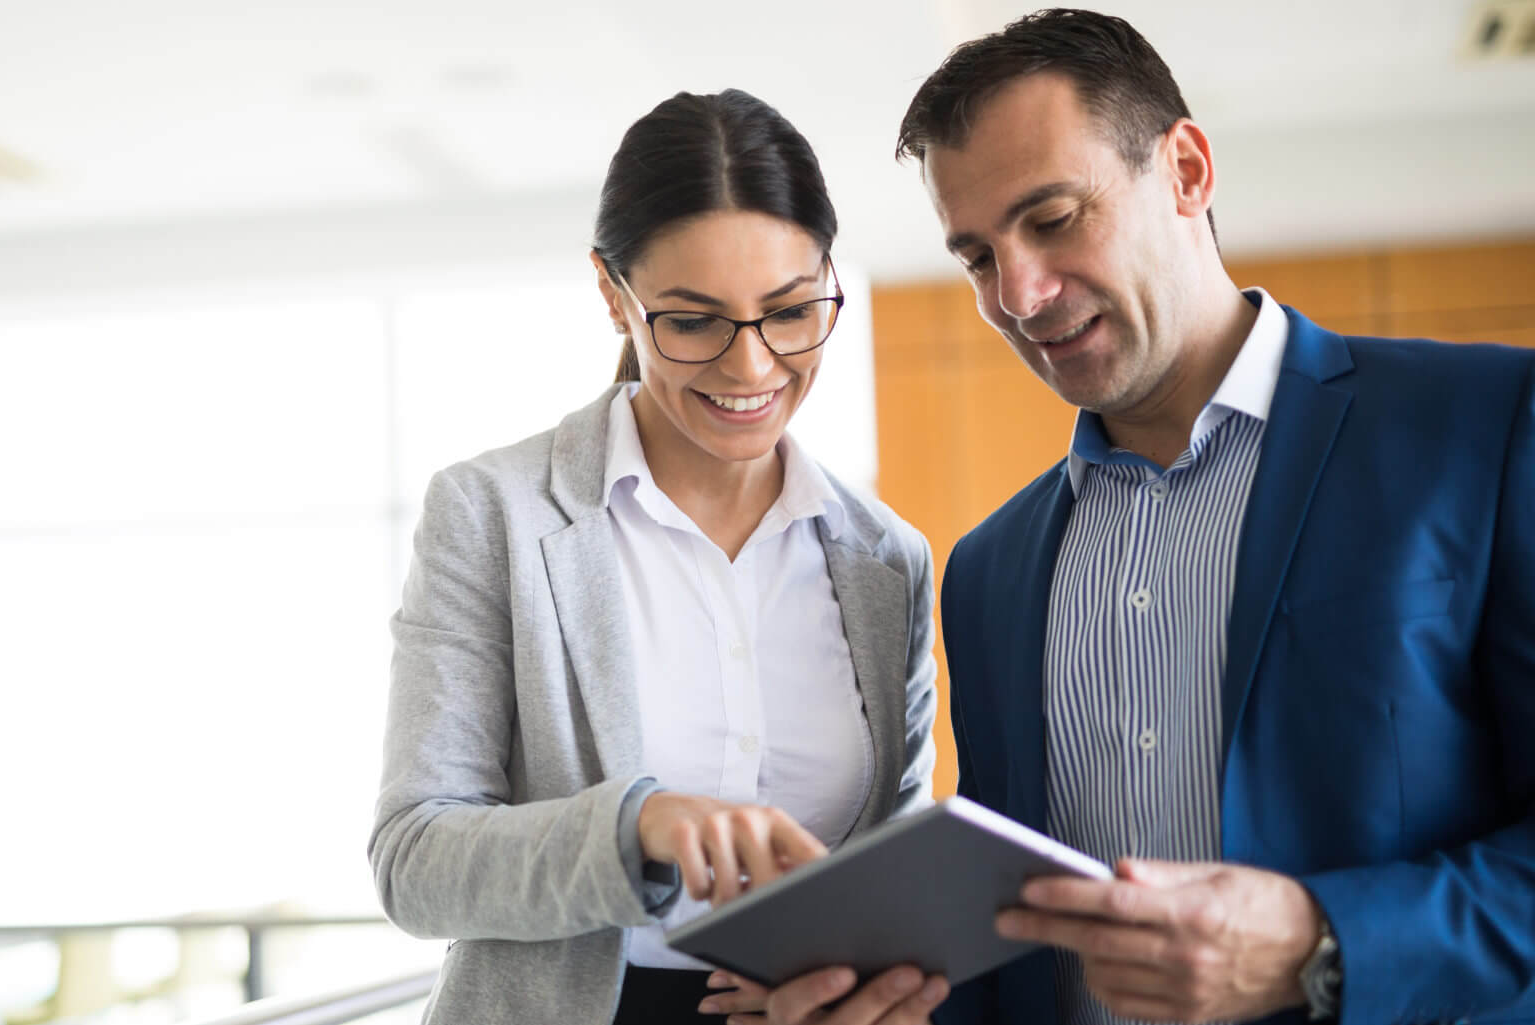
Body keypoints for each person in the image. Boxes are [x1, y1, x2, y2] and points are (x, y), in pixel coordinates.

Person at [739, 8, 1535, 1025]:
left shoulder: (1484, 428)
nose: (1018, 294)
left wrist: (1319, 938)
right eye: (976, 255)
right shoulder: (987, 572)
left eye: (1054, 216)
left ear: (1187, 171)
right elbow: (1017, 940)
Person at [367, 88, 941, 1025]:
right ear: (613, 294)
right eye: (692, 320)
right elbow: (414, 861)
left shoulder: (887, 561)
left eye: (792, 311)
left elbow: (891, 855)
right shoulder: (494, 514)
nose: (752, 367)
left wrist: (867, 977)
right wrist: (640, 825)